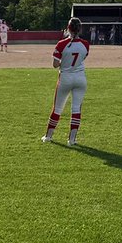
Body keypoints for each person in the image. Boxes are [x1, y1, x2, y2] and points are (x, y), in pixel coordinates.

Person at [42, 16, 90, 147]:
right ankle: (72, 140)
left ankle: (48, 136)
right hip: (80, 77)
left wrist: (65, 61)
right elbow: (82, 58)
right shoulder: (85, 44)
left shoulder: (62, 44)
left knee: (57, 108)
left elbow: (55, 64)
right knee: (76, 109)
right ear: (80, 29)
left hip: (65, 78)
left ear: (68, 28)